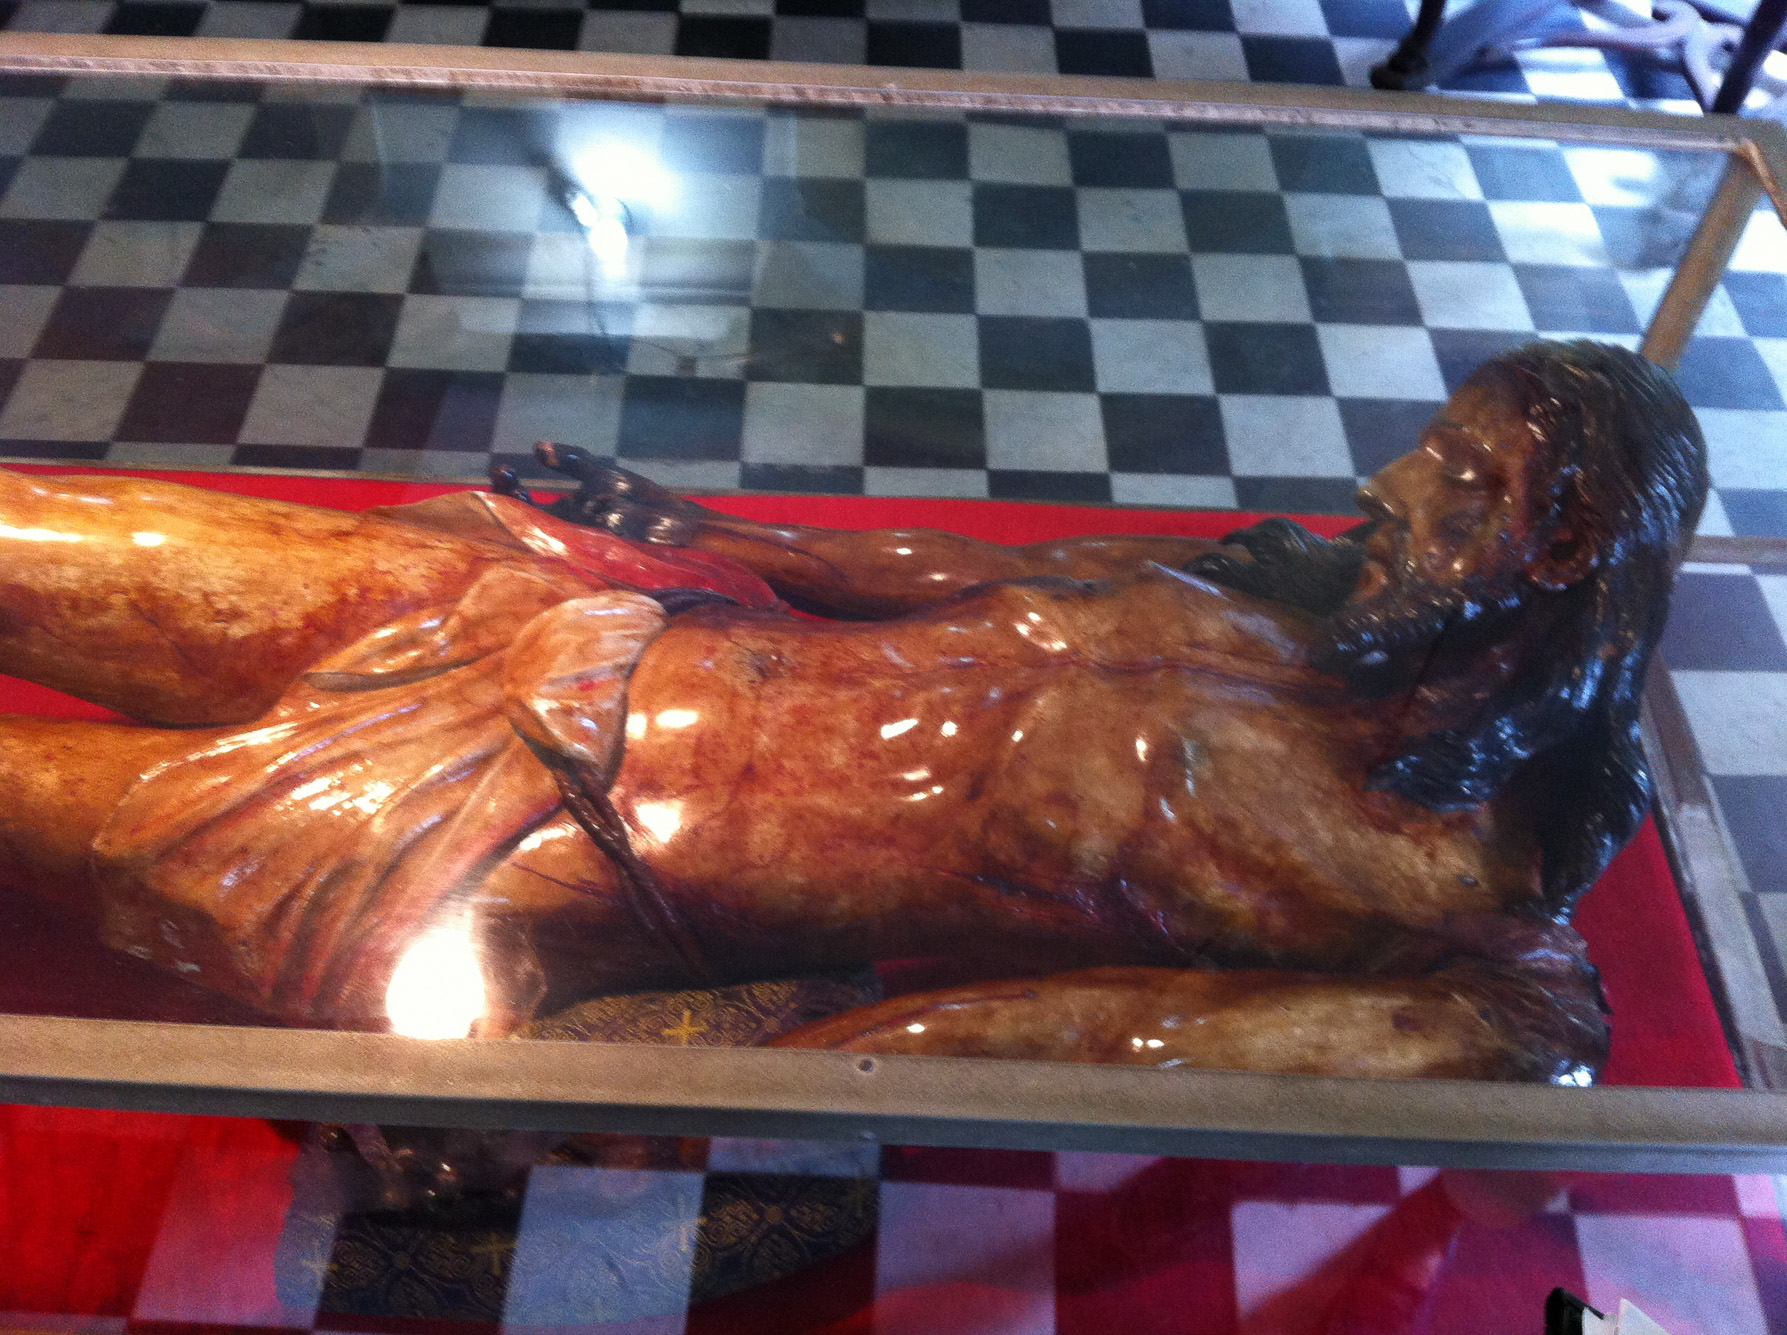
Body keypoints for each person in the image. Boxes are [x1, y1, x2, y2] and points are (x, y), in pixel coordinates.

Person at [0, 340, 1705, 1082]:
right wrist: (721, 536)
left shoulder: (1465, 939)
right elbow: (968, 576)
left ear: (1559, 545)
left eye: (1461, 476)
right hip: (564, 626)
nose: (1396, 478)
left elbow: (1084, 1047)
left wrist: (687, 1107)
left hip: (532, 841)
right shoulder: (1287, 590)